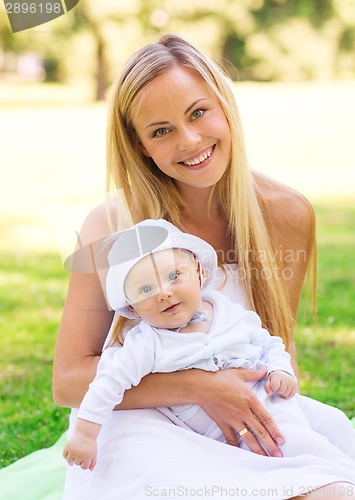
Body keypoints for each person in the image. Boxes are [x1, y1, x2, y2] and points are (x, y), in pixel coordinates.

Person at [53, 34, 355, 499]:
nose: (190, 140)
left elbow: (278, 344)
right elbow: (69, 380)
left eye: (198, 113)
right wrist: (199, 387)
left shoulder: (288, 213)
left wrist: (262, 399)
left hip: (241, 404)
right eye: (161, 130)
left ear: (224, 105)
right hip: (143, 419)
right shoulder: (113, 224)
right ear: (141, 147)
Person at [62, 219, 355, 476]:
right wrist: (86, 435)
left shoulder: (225, 310)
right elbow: (106, 384)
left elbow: (267, 341)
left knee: (337, 424)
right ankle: (340, 481)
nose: (164, 292)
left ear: (200, 275)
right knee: (306, 446)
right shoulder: (147, 344)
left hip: (275, 399)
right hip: (244, 427)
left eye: (174, 276)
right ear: (133, 309)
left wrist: (280, 367)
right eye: (146, 290)